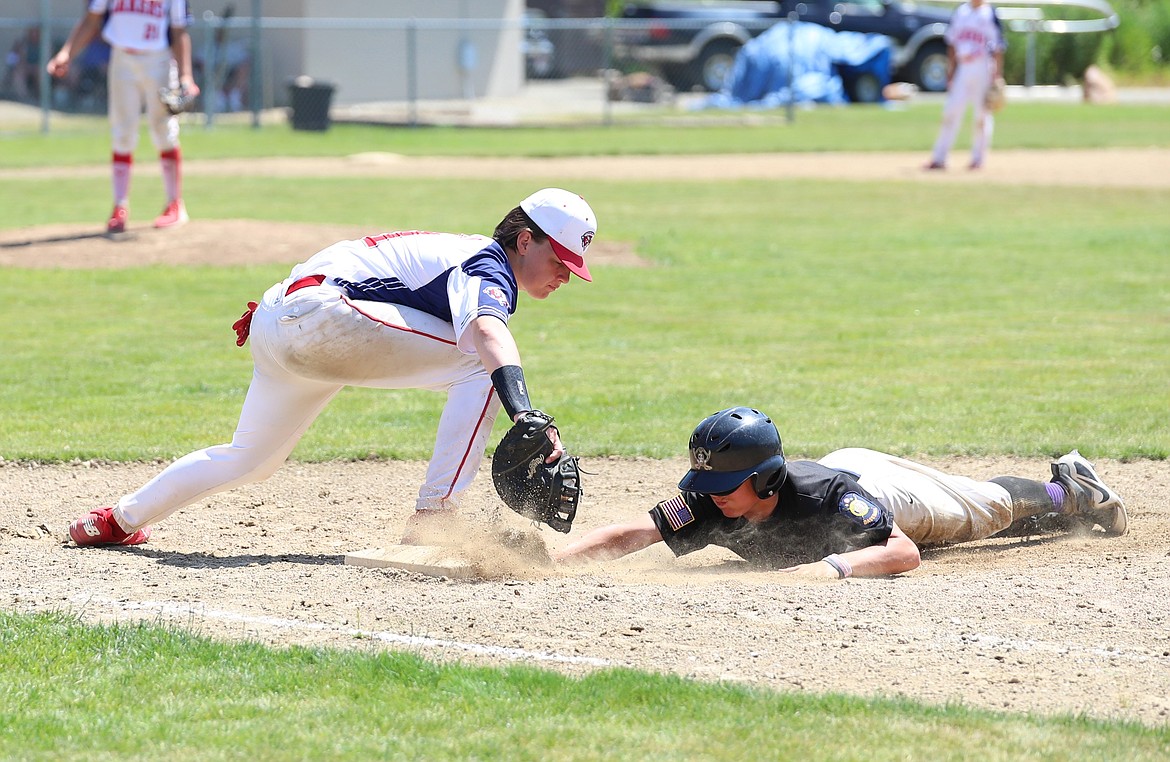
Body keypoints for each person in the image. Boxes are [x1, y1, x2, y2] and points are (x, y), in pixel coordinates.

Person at [67, 188, 598, 548]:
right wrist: (526, 413)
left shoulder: (464, 257)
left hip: (281, 320)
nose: (565, 277)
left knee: (250, 459)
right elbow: (485, 333)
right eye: (560, 261)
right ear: (525, 240)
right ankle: (435, 517)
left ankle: (115, 522)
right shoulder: (486, 259)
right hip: (327, 316)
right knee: (479, 364)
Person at [555, 407, 1127, 578]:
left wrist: (831, 569)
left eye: (725, 484)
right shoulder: (712, 503)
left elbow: (903, 552)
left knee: (985, 510)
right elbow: (636, 531)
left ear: (765, 478)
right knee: (978, 513)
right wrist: (550, 562)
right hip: (839, 477)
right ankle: (1058, 506)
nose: (713, 496)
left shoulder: (830, 499)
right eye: (706, 483)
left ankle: (1071, 492)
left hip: (874, 488)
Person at [46, 1, 200, 233]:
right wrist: (67, 53)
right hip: (122, 58)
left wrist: (186, 76)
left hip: (158, 59)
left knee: (164, 131)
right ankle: (120, 206)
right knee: (122, 133)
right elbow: (91, 20)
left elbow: (179, 32)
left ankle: (175, 204)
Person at [924, 0, 1006, 171]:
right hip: (963, 68)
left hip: (983, 67)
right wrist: (951, 71)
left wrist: (997, 76)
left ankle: (978, 159)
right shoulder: (961, 11)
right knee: (950, 112)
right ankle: (939, 158)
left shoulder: (990, 13)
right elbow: (952, 43)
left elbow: (998, 47)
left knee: (981, 116)